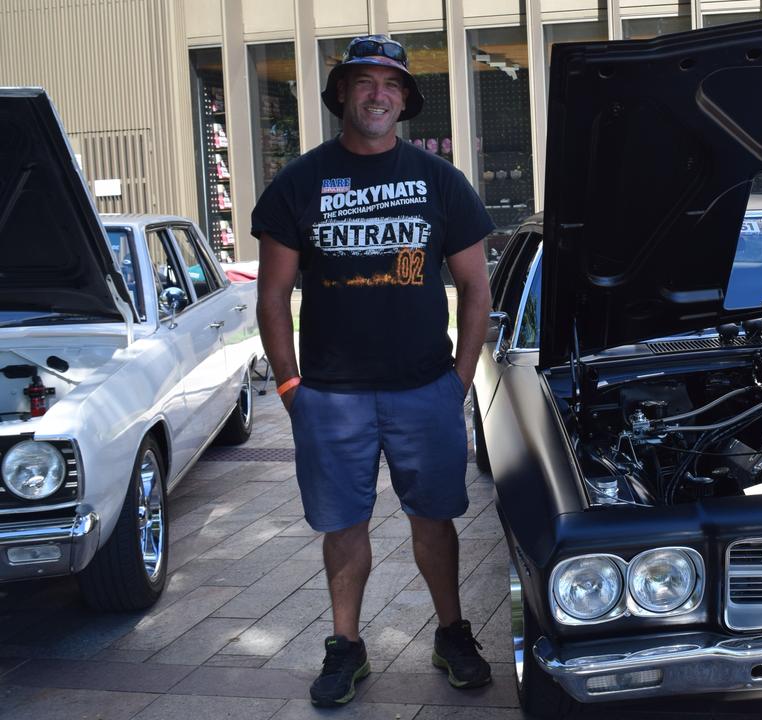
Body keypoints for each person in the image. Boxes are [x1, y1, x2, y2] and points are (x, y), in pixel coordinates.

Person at [251, 35, 495, 707]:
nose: (378, 94)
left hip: (425, 388)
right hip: (330, 395)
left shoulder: (440, 180)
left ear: (405, 99)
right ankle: (346, 646)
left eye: (391, 84)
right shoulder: (298, 183)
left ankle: (452, 633)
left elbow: (477, 287)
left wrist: (462, 377)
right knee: (343, 525)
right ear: (341, 95)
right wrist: (290, 383)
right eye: (365, 82)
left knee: (434, 519)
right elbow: (272, 295)